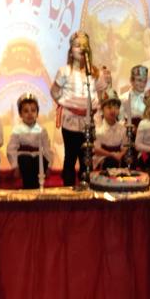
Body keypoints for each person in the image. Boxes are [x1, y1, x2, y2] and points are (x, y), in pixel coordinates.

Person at [51, 30, 106, 187]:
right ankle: (68, 189)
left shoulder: (95, 72)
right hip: (71, 121)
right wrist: (67, 104)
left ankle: (87, 188)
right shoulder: (64, 71)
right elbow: (54, 91)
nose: (81, 48)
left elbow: (101, 93)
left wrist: (95, 105)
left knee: (86, 157)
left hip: (89, 121)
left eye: (84, 45)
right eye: (77, 45)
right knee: (70, 157)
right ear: (70, 50)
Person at [7, 93, 51, 190]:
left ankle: (37, 189)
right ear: (20, 114)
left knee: (40, 161)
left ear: (37, 113)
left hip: (38, 157)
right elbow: (11, 149)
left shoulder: (41, 130)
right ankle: (29, 190)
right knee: (25, 161)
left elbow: (47, 148)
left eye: (33, 110)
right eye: (26, 111)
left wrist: (49, 165)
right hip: (24, 157)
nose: (30, 114)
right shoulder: (17, 130)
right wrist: (15, 166)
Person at [93, 88, 128, 171]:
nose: (113, 111)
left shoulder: (122, 129)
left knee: (128, 159)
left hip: (118, 156)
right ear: (102, 110)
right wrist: (111, 154)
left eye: (116, 108)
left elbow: (125, 146)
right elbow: (96, 149)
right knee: (110, 162)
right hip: (103, 157)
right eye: (109, 107)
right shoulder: (98, 129)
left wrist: (121, 154)